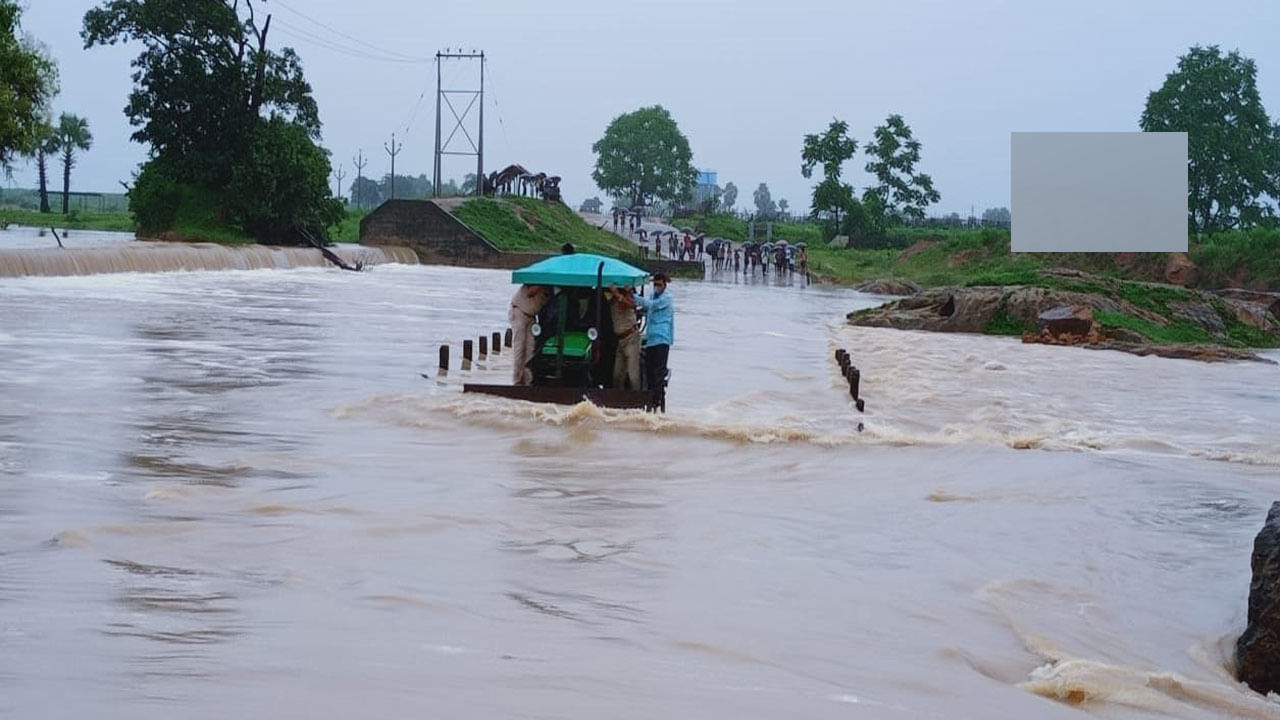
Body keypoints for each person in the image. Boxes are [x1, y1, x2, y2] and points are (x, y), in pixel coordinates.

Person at [633, 273, 673, 412]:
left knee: (658, 374)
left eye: (659, 285)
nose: (656, 287)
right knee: (648, 373)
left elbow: (651, 305)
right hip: (650, 340)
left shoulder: (667, 298)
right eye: (655, 284)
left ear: (664, 285)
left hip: (662, 339)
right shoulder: (651, 296)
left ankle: (657, 403)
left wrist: (633, 297)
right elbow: (645, 307)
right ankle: (650, 402)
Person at [509, 284, 549, 385]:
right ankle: (517, 379)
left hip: (531, 317)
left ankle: (528, 380)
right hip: (519, 312)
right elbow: (530, 292)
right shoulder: (536, 281)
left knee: (530, 348)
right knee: (519, 347)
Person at [605, 285, 641, 390]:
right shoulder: (612, 301)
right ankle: (619, 400)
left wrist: (618, 294)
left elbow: (632, 305)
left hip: (631, 337)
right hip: (620, 339)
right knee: (617, 375)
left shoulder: (627, 299)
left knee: (632, 373)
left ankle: (637, 398)